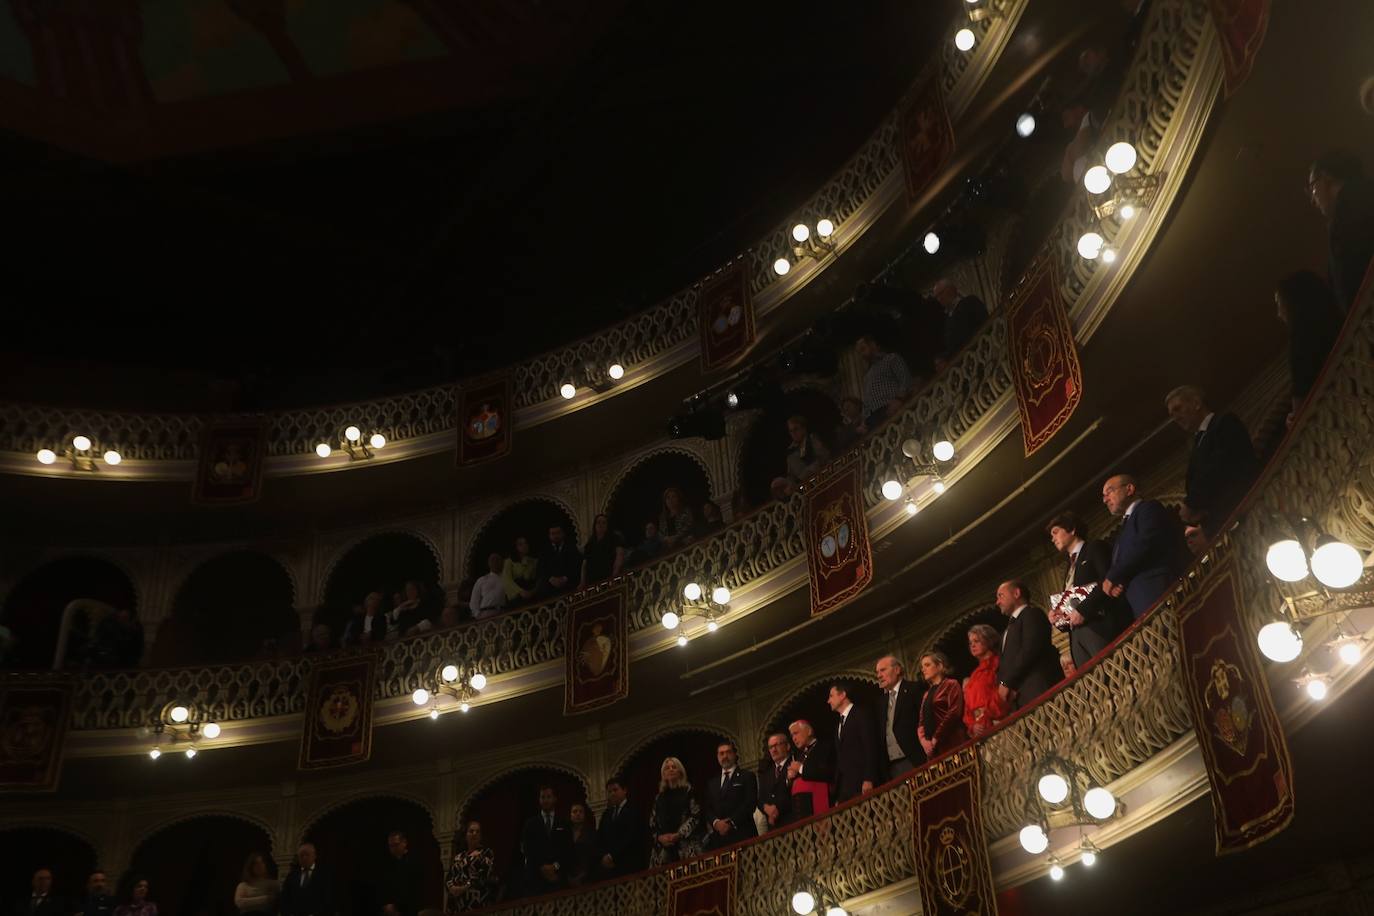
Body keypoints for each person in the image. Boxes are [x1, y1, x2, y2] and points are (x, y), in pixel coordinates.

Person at [1165, 386, 1258, 538]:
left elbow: (1219, 467)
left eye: (1178, 408)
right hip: (1224, 524)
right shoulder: (1197, 442)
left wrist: (1191, 503)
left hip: (1246, 512)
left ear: (1196, 403)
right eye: (1172, 414)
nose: (1175, 417)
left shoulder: (1224, 423)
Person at [1047, 511, 1132, 669]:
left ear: (1072, 530)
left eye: (1055, 532)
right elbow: (1073, 601)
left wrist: (1084, 611)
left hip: (1098, 627)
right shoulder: (1068, 567)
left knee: (1112, 672)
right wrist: (1059, 617)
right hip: (1076, 636)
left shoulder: (1095, 548)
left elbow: (1108, 581)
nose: (1053, 538)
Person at [1101, 474, 1191, 617]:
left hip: (1158, 590)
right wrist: (1119, 582)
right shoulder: (1123, 529)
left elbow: (1145, 544)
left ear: (1129, 489)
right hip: (1140, 601)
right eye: (1104, 496)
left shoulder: (1148, 509)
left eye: (1109, 491)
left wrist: (1113, 576)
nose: (1105, 500)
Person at [1308, 150, 1374, 313]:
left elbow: (1348, 288)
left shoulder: (1344, 219)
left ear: (1325, 178)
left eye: (1313, 187)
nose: (1312, 199)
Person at [1275, 270, 1344, 426]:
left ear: (1292, 304)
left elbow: (1300, 412)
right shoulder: (1339, 323)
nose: (1279, 314)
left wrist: (1292, 421)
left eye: (1280, 304)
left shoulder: (1299, 346)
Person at [994, 579, 1062, 710]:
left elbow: (1029, 650)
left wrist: (1008, 683)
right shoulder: (1007, 630)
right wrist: (1003, 686)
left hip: (1038, 690)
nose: (997, 602)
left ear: (1016, 593)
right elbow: (1004, 664)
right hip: (1019, 698)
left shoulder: (1032, 614)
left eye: (1000, 595)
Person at [827, 683, 881, 803]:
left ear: (843, 695)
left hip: (862, 782)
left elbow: (870, 746)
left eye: (831, 696)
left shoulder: (861, 714)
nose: (828, 701)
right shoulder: (838, 725)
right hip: (846, 787)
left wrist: (869, 778)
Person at [874, 654, 926, 778]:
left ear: (897, 670)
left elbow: (924, 721)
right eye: (877, 672)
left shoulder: (914, 689)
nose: (879, 676)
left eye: (883, 670)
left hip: (916, 759)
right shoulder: (881, 702)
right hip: (892, 768)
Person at [701, 740, 759, 850]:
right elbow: (707, 808)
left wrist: (731, 822)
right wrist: (716, 823)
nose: (725, 756)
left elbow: (750, 803)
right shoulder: (712, 783)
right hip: (719, 840)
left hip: (743, 834)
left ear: (734, 754)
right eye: (721, 753)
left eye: (728, 752)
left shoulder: (747, 776)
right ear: (717, 756)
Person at [649, 757, 704, 866]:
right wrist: (660, 837)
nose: (671, 770)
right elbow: (652, 822)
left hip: (686, 847)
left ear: (680, 771)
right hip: (664, 850)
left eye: (674, 767)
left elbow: (696, 815)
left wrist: (679, 834)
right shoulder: (659, 798)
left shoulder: (688, 791)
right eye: (667, 768)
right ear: (663, 774)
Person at [521, 785, 573, 894]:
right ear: (539, 800)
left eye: (548, 797)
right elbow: (527, 849)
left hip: (559, 877)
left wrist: (555, 866)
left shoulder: (564, 822)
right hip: (536, 879)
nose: (545, 800)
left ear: (555, 799)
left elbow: (568, 848)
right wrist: (542, 867)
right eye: (542, 797)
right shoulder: (530, 824)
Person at [916, 651, 968, 759]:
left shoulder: (951, 684)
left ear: (939, 666)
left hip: (952, 742)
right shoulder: (926, 694)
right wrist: (924, 741)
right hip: (933, 748)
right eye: (922, 666)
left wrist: (936, 738)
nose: (923, 669)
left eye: (927, 665)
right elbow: (921, 721)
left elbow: (954, 713)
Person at [855, 334, 913, 428]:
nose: (862, 354)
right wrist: (864, 421)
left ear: (872, 345)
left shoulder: (891, 359)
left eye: (863, 349)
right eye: (859, 352)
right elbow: (866, 401)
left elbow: (905, 380)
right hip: (874, 418)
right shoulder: (867, 376)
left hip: (892, 407)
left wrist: (899, 399)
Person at [596, 776, 645, 878]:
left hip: (630, 864)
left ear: (624, 790)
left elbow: (631, 836)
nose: (612, 794)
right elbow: (600, 837)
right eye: (609, 792)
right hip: (610, 869)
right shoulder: (607, 814)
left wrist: (612, 856)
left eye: (615, 790)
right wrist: (603, 857)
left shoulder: (633, 809)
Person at [962, 624, 1007, 737]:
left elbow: (1004, 691)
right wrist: (973, 725)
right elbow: (968, 708)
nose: (972, 645)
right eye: (970, 642)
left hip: (999, 723)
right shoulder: (974, 676)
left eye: (976, 641)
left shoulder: (999, 664)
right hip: (980, 730)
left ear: (988, 641)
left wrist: (986, 714)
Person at [786, 719, 835, 819]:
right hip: (801, 810)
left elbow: (827, 772)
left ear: (809, 731)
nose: (794, 739)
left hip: (819, 804)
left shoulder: (824, 747)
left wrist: (800, 768)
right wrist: (789, 778)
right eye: (792, 736)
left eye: (796, 733)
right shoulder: (799, 756)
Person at [445, 821, 496, 913]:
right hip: (458, 905)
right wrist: (452, 888)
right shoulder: (458, 857)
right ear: (466, 835)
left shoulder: (486, 853)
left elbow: (483, 876)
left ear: (481, 836)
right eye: (471, 831)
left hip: (477, 903)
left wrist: (465, 887)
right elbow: (449, 877)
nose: (474, 834)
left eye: (477, 831)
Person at [932, 278, 988, 362]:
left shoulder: (970, 302)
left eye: (940, 294)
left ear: (951, 289)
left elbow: (984, 323)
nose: (939, 299)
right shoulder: (947, 320)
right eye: (937, 297)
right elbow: (952, 346)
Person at [279, 842, 337, 916]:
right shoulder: (292, 875)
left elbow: (329, 898)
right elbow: (284, 898)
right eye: (301, 855)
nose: (304, 858)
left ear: (314, 856)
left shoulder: (324, 875)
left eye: (307, 854)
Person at [757, 732, 794, 831]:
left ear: (787, 746)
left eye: (777, 745)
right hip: (774, 827)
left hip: (792, 822)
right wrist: (766, 808)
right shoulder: (766, 773)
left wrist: (776, 809)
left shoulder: (794, 764)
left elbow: (792, 792)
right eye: (770, 747)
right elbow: (760, 798)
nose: (773, 750)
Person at [378, 831, 422, 916]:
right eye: (391, 846)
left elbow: (414, 887)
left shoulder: (414, 861)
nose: (393, 848)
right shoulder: (387, 863)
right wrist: (388, 904)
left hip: (409, 908)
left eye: (396, 845)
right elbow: (384, 885)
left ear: (404, 843)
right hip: (390, 908)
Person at [534, 526, 583, 600]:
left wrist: (565, 578)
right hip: (549, 588)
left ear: (563, 534)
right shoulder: (544, 551)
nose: (555, 536)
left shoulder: (571, 548)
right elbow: (540, 569)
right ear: (549, 536)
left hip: (569, 585)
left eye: (558, 533)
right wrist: (550, 578)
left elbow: (577, 565)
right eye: (553, 534)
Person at [580, 514, 626, 588]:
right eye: (598, 522)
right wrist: (582, 582)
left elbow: (619, 556)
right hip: (592, 582)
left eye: (604, 523)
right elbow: (584, 565)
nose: (601, 525)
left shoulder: (615, 538)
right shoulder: (590, 544)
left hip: (608, 578)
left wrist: (614, 576)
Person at [785, 415, 831, 484]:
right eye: (791, 431)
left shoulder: (813, 440)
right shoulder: (790, 452)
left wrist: (803, 476)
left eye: (796, 429)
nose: (793, 433)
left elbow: (822, 458)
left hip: (823, 478)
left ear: (803, 429)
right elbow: (790, 474)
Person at [566, 802, 600, 886]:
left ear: (584, 815)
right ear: (570, 815)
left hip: (588, 877)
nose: (578, 814)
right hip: (568, 878)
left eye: (580, 811)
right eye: (575, 811)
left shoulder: (591, 833)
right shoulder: (565, 834)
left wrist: (582, 876)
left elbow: (593, 855)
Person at [469, 553, 507, 620]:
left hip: (501, 613)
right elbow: (474, 600)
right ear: (489, 563)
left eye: (497, 560)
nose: (495, 562)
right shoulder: (482, 580)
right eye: (492, 560)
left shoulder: (506, 579)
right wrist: (478, 615)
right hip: (484, 614)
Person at [502, 536, 539, 604]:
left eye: (525, 543)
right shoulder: (509, 562)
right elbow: (507, 580)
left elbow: (534, 578)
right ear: (516, 547)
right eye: (520, 544)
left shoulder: (533, 561)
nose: (524, 546)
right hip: (516, 596)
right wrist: (520, 591)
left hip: (530, 592)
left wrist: (532, 591)